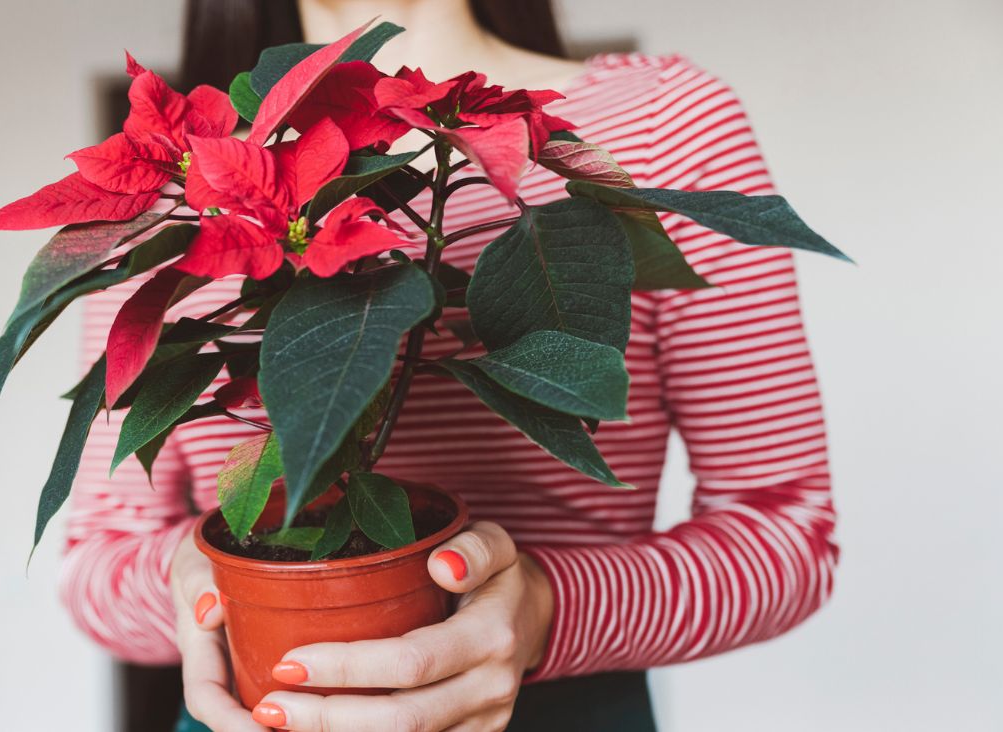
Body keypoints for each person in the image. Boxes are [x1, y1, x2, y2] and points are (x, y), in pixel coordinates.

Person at [61, 0, 839, 729]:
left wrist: (548, 610)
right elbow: (96, 558)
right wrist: (202, 584)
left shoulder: (665, 121)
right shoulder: (183, 179)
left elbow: (787, 535)